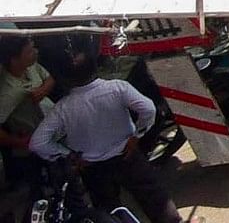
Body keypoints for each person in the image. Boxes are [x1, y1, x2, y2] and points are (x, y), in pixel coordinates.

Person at [31, 52, 172, 223]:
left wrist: (68, 154)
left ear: (66, 79)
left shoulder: (62, 108)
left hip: (94, 168)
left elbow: (38, 143)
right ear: (95, 68)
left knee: (109, 213)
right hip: (127, 155)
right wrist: (137, 135)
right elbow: (149, 109)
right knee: (155, 199)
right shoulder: (118, 88)